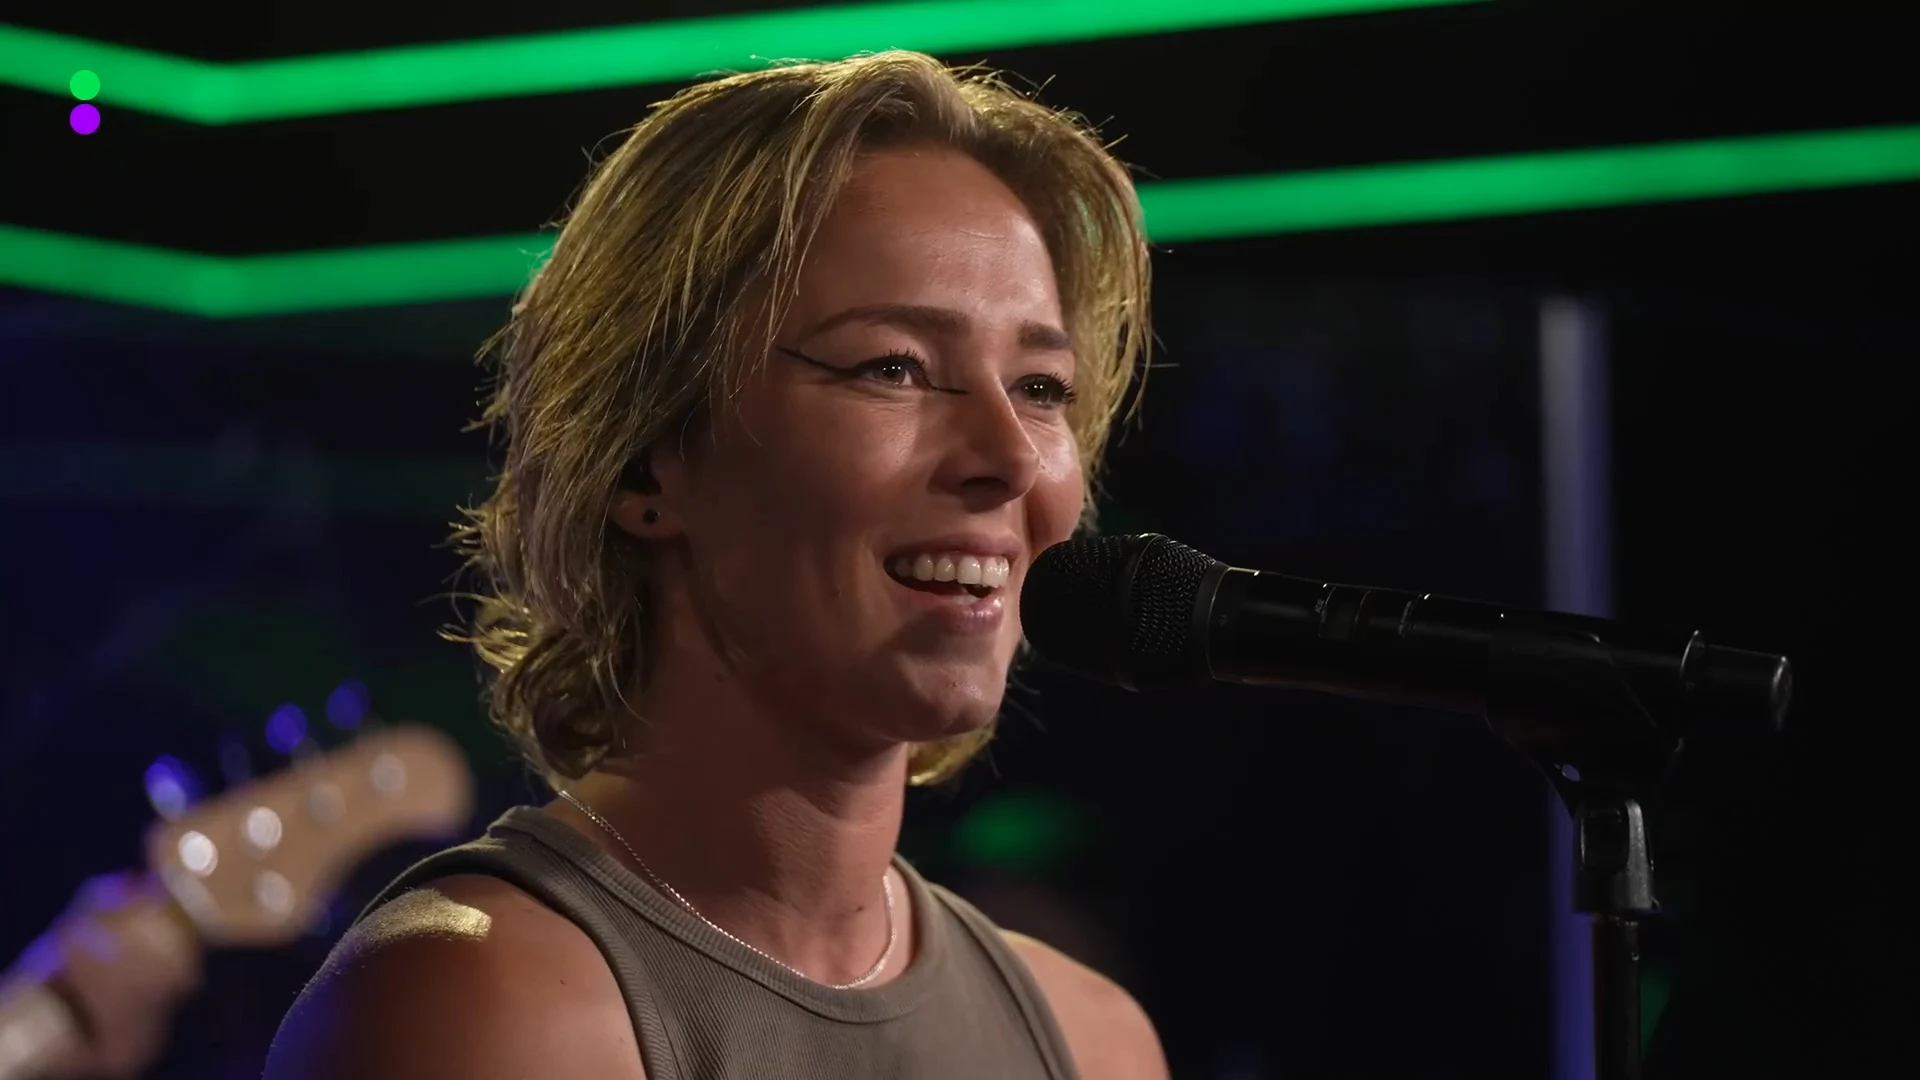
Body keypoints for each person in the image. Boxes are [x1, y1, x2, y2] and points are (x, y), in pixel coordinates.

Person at [265, 49, 1162, 1080]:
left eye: (1043, 388)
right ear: (648, 456)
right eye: (895, 367)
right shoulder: (479, 1007)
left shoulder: (1098, 1043)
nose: (1012, 456)